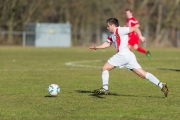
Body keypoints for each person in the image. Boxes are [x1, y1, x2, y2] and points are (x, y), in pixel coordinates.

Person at [89, 18, 168, 97]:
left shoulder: (121, 30)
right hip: (129, 56)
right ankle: (162, 85)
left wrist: (140, 36)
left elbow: (135, 28)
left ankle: (105, 88)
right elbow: (107, 44)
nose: (107, 28)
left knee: (104, 68)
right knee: (143, 75)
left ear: (113, 25)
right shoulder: (111, 34)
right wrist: (97, 47)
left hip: (123, 55)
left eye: (108, 26)